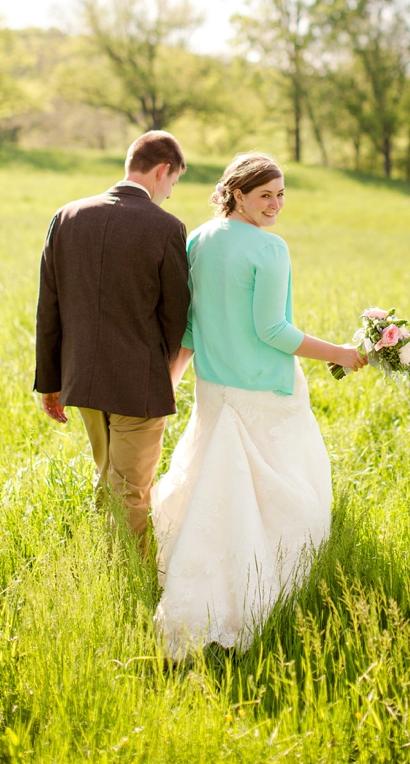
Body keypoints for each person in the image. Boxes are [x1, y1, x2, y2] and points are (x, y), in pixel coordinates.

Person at [151, 151, 365, 657]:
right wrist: (340, 354)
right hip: (263, 391)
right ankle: (268, 593)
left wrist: (171, 378)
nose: (275, 205)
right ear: (237, 194)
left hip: (214, 387)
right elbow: (272, 329)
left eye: (281, 194)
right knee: (290, 497)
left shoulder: (198, 238)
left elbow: (190, 323)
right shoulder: (270, 250)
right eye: (265, 195)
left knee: (210, 487)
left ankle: (200, 582)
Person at [34, 130, 190, 549]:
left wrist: (50, 382)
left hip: (81, 381)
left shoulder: (66, 216)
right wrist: (161, 369)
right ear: (162, 170)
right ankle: (133, 581)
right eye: (173, 182)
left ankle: (105, 572)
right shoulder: (168, 228)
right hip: (138, 385)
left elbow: (49, 308)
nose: (170, 194)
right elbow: (177, 316)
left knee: (109, 483)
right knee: (131, 493)